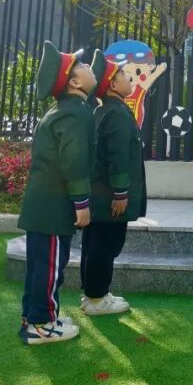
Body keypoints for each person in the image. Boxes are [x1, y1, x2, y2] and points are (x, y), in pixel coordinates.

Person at [16, 41, 98, 345]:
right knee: (50, 268)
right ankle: (41, 324)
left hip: (45, 206)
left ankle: (34, 317)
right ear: (74, 82)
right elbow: (73, 161)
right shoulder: (75, 113)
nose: (89, 67)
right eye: (82, 65)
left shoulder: (65, 110)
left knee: (41, 267)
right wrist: (82, 201)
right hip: (53, 206)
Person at [79, 50, 147, 317]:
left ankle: (94, 294)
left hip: (99, 195)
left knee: (95, 243)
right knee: (105, 244)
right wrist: (120, 192)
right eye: (122, 75)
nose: (129, 78)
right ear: (112, 85)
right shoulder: (116, 114)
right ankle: (97, 298)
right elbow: (117, 157)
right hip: (109, 197)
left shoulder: (104, 111)